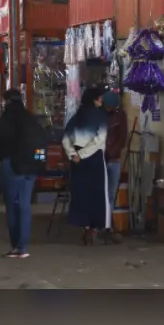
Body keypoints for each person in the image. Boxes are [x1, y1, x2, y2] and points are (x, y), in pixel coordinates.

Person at [0, 89, 44, 258]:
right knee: (24, 206)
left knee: (12, 208)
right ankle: (23, 247)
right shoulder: (32, 121)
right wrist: (39, 163)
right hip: (30, 168)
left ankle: (16, 246)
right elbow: (41, 143)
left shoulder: (4, 121)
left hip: (11, 167)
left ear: (6, 101)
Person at [62, 88, 111, 245]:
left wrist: (73, 155)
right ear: (94, 99)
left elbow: (65, 139)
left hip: (77, 162)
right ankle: (96, 229)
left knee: (80, 195)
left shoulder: (76, 117)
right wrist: (83, 155)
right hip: (95, 160)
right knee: (97, 195)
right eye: (99, 98)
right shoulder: (100, 117)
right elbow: (99, 141)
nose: (101, 100)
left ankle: (85, 228)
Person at [102, 91, 128, 244]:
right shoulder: (102, 115)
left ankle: (108, 226)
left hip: (113, 159)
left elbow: (122, 138)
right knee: (105, 194)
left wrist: (111, 152)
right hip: (104, 159)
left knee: (110, 195)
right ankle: (105, 225)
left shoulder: (119, 116)